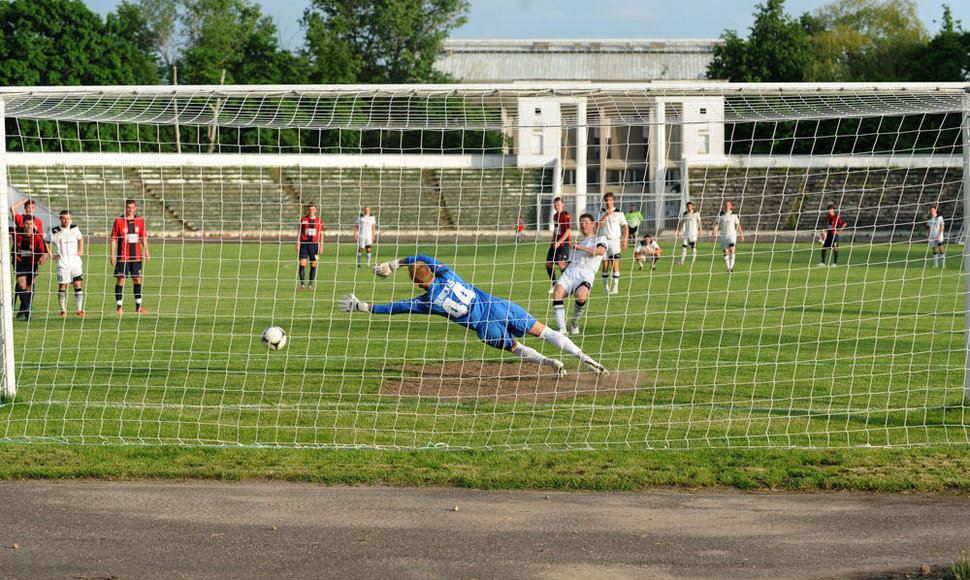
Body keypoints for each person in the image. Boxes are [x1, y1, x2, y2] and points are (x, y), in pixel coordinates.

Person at [338, 255, 608, 376]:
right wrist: (398, 262)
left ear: (418, 284)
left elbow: (395, 308)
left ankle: (551, 363)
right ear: (432, 271)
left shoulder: (426, 302)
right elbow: (423, 256)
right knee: (544, 331)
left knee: (516, 348)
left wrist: (363, 307)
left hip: (483, 326)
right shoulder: (449, 274)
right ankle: (583, 357)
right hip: (499, 307)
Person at [552, 214, 606, 335]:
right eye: (581, 223)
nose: (583, 225)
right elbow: (568, 266)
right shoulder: (577, 244)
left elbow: (600, 251)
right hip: (571, 273)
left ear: (593, 224)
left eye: (586, 222)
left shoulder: (600, 239)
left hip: (586, 273)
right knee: (557, 292)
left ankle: (574, 322)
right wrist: (563, 266)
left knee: (581, 296)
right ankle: (562, 330)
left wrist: (581, 248)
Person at [110, 199, 149, 314]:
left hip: (136, 257)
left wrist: (146, 250)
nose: (130, 209)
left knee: (137, 279)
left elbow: (143, 237)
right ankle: (119, 307)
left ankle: (138, 307)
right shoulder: (118, 221)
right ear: (125, 208)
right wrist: (112, 255)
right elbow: (113, 239)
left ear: (135, 208)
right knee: (120, 280)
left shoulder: (140, 221)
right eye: (128, 207)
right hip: (123, 257)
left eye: (132, 207)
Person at [11, 216, 49, 321]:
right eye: (27, 224)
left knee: (28, 288)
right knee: (22, 283)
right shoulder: (16, 232)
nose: (29, 226)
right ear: (23, 224)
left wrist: (43, 259)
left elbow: (45, 252)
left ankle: (20, 310)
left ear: (34, 225)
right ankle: (27, 312)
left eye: (31, 224)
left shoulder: (37, 236)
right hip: (18, 261)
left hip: (32, 263)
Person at [48, 210, 85, 316]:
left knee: (77, 284)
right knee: (62, 286)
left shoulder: (74, 228)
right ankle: (63, 310)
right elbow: (45, 242)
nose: (66, 221)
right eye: (64, 218)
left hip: (75, 262)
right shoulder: (55, 231)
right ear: (60, 219)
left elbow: (81, 238)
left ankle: (79, 310)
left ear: (71, 219)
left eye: (68, 218)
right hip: (62, 263)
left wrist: (81, 250)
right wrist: (51, 254)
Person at [596, 193, 629, 295]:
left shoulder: (619, 212)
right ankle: (605, 287)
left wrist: (625, 240)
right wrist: (606, 215)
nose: (608, 202)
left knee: (615, 263)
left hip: (614, 241)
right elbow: (598, 226)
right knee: (605, 264)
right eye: (607, 200)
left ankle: (615, 287)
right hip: (603, 241)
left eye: (610, 200)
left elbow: (626, 227)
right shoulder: (602, 211)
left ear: (613, 200)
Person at [545, 196, 572, 294]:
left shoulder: (566, 216)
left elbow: (568, 230)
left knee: (562, 265)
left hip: (564, 244)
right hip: (555, 243)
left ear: (562, 205)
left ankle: (566, 286)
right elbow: (556, 230)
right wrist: (553, 241)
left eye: (559, 205)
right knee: (548, 264)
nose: (557, 207)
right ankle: (554, 284)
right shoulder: (555, 216)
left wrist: (559, 242)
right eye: (555, 205)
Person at [712, 201, 744, 273]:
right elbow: (717, 224)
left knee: (732, 249)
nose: (727, 206)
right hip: (723, 235)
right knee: (725, 251)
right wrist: (714, 231)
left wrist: (741, 234)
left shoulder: (734, 214)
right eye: (726, 205)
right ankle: (728, 267)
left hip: (732, 235)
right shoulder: (721, 214)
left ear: (731, 206)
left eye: (728, 205)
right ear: (724, 206)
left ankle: (731, 267)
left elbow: (738, 225)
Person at [298, 203, 323, 288]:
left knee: (313, 264)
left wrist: (321, 246)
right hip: (304, 244)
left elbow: (321, 234)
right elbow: (299, 232)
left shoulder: (319, 221)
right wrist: (298, 243)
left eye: (313, 209)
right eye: (310, 209)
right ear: (308, 210)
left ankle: (310, 284)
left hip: (314, 245)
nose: (311, 211)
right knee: (302, 263)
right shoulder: (303, 219)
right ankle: (302, 284)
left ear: (315, 210)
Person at [675, 201, 703, 265]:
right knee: (684, 246)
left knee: (693, 247)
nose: (689, 207)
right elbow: (682, 223)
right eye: (688, 206)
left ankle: (693, 261)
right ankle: (682, 261)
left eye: (690, 206)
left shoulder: (696, 213)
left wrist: (700, 231)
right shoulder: (685, 214)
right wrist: (679, 231)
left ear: (692, 206)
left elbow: (700, 222)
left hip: (693, 233)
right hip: (686, 233)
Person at [927, 205, 946, 270]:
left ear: (935, 210)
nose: (932, 211)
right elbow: (929, 229)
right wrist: (928, 237)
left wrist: (939, 236)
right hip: (932, 237)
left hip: (939, 236)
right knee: (934, 250)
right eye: (931, 210)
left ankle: (943, 265)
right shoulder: (930, 219)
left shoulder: (939, 217)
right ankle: (936, 266)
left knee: (941, 249)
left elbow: (942, 227)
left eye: (933, 210)